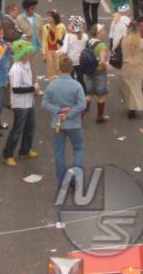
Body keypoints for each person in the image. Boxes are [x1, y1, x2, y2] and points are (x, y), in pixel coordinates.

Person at [41, 56, 86, 186]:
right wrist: (69, 114)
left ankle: (62, 180)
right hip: (74, 123)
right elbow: (82, 105)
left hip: (58, 123)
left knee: (59, 151)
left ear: (59, 68)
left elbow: (44, 103)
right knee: (78, 148)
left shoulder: (52, 85)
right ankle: (75, 177)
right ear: (71, 69)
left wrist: (58, 110)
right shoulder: (76, 85)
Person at [2, 40, 41, 167]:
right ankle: (7, 155)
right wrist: (32, 88)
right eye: (27, 53)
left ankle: (25, 150)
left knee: (30, 127)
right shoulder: (16, 69)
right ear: (21, 54)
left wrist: (33, 87)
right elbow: (16, 89)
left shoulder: (26, 64)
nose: (29, 55)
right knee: (17, 130)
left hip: (29, 101)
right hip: (20, 104)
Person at [116, 22, 143, 118]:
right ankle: (134, 106)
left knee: (127, 88)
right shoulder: (142, 42)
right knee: (136, 88)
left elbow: (115, 51)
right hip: (138, 68)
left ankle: (131, 106)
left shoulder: (123, 40)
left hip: (126, 67)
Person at [41, 11, 66, 80]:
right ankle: (52, 84)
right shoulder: (45, 27)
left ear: (54, 18)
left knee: (60, 69)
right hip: (49, 51)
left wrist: (65, 50)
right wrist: (44, 54)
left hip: (59, 51)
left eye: (50, 16)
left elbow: (66, 38)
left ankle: (61, 84)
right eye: (47, 16)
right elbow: (44, 41)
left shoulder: (62, 26)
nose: (48, 18)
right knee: (50, 72)